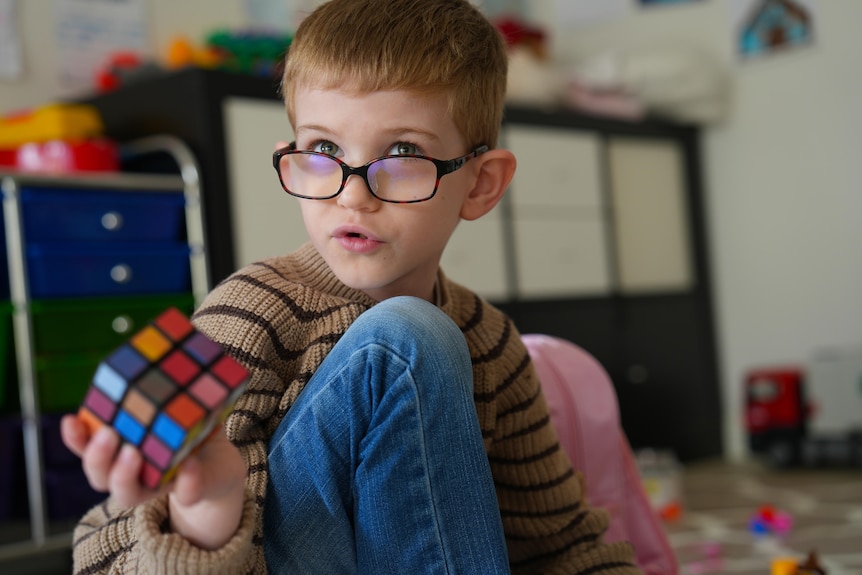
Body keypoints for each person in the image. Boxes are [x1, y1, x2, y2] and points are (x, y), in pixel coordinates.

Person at [61, 0, 643, 573]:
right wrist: (207, 513)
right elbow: (102, 552)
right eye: (323, 149)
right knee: (404, 337)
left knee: (414, 335)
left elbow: (564, 547)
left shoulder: (491, 342)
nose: (352, 194)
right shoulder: (245, 311)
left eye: (403, 151)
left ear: (481, 185)